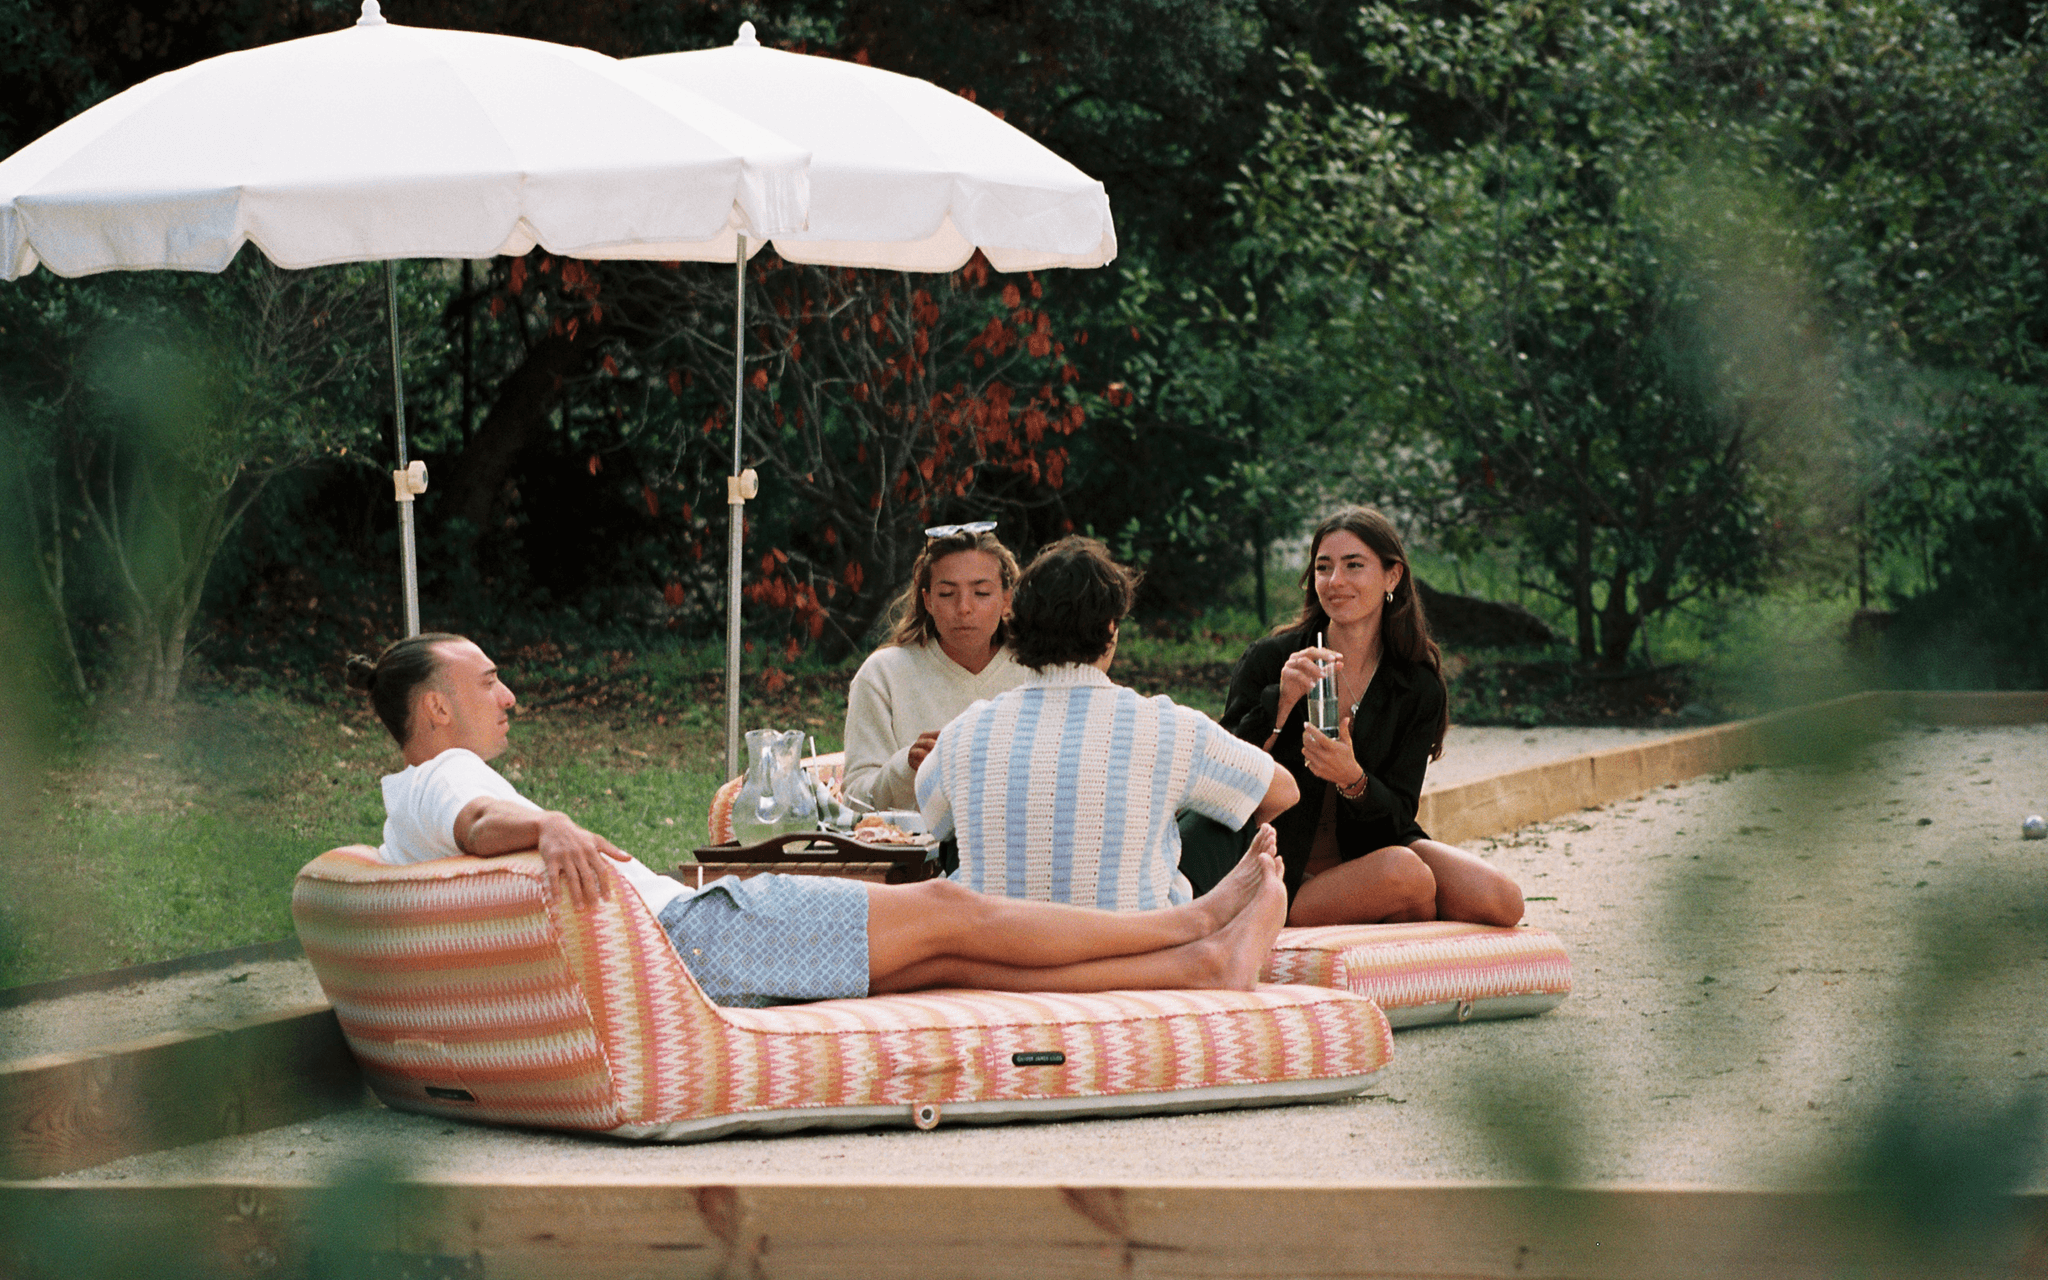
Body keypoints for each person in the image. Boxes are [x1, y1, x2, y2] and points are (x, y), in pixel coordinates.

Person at [345, 631, 1288, 1009]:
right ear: (434, 710)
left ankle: (1198, 968)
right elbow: (476, 819)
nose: (507, 695)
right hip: (700, 938)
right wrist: (548, 823)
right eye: (485, 682)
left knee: (955, 958)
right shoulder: (449, 777)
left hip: (697, 948)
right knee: (960, 910)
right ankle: (1192, 921)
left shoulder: (406, 809)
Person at [918, 536, 1299, 911]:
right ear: (1110, 630)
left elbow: (933, 822)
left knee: (963, 828)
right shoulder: (1166, 726)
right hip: (1136, 947)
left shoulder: (964, 732)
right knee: (1233, 809)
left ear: (1016, 627)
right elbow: (1284, 791)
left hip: (1001, 953)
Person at [1195, 507, 1524, 928]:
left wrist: (1354, 781)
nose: (1336, 582)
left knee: (1503, 901)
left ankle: (1389, 907)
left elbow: (1400, 815)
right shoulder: (1274, 659)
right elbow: (1218, 772)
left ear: (1392, 576)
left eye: (1354, 566)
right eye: (1323, 567)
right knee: (1409, 879)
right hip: (1288, 866)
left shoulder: (1415, 683)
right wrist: (1279, 707)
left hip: (1374, 845)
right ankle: (1305, 913)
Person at [841, 521, 1030, 812]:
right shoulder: (882, 674)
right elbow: (854, 800)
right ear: (927, 600)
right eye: (946, 594)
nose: (964, 607)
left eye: (981, 593)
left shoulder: (1038, 670)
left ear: (1006, 599)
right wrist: (906, 767)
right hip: (913, 854)